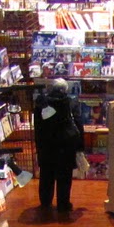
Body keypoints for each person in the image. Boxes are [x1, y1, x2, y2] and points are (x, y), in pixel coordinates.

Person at [33, 77, 85, 216]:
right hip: (66, 145)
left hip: (46, 144)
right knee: (64, 175)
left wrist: (38, 146)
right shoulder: (71, 102)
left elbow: (37, 127)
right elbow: (78, 124)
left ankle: (45, 202)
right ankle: (63, 204)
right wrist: (80, 146)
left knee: (46, 174)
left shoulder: (40, 104)